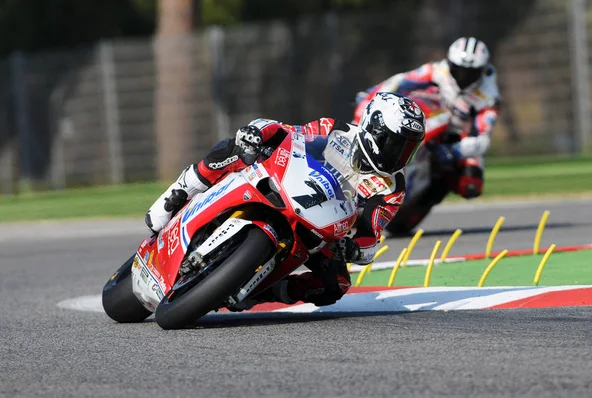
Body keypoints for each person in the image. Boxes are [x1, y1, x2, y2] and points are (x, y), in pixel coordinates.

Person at [146, 92, 425, 309]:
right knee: (237, 148)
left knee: (336, 285)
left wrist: (352, 249)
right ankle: (182, 188)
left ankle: (263, 291)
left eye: (408, 148)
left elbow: (370, 236)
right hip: (284, 186)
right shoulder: (335, 130)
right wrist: (258, 135)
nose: (400, 154)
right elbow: (286, 131)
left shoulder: (392, 187)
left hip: (321, 227)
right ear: (373, 128)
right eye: (395, 143)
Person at [354, 37, 501, 199]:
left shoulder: (489, 97)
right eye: (458, 70)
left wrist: (454, 151)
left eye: (471, 73)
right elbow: (401, 80)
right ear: (450, 64)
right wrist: (373, 94)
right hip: (431, 117)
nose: (463, 77)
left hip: (458, 138)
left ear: (482, 70)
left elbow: (482, 141)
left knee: (471, 186)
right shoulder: (438, 69)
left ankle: (432, 190)